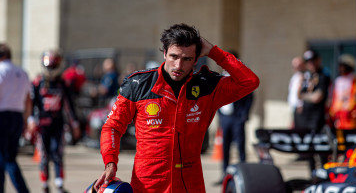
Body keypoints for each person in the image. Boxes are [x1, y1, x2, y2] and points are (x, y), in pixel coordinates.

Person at [94, 23, 260, 192]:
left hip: (190, 185)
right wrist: (110, 163)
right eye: (173, 56)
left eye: (187, 59)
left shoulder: (207, 86)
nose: (178, 66)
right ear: (164, 53)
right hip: (148, 185)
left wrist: (214, 52)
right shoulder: (138, 84)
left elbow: (250, 81)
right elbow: (112, 127)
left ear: (196, 59)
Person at [30, 50, 81, 193]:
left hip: (58, 124)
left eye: (53, 66)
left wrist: (75, 124)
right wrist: (31, 121)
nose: (51, 69)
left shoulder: (63, 83)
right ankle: (45, 185)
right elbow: (32, 104)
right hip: (42, 125)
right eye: (49, 66)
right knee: (44, 156)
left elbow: (69, 105)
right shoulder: (37, 82)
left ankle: (59, 185)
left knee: (58, 154)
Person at [215, 51, 254, 184]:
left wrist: (244, 114)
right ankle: (224, 174)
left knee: (240, 147)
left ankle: (244, 175)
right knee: (225, 148)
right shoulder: (220, 78)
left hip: (237, 117)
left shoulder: (240, 77)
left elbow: (250, 96)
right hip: (225, 118)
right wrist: (219, 114)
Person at [0, 44, 30, 193]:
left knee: (4, 158)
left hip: (3, 115)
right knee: (9, 156)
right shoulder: (22, 72)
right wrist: (26, 120)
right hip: (17, 116)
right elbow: (28, 99)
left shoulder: (1, 70)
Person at [298, 49, 330, 172]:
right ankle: (313, 176)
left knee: (321, 149)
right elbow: (298, 94)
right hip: (305, 119)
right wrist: (305, 95)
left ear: (318, 60)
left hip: (318, 119)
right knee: (308, 150)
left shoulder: (323, 75)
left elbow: (318, 97)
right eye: (308, 62)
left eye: (312, 61)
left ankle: (324, 175)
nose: (310, 64)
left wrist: (304, 96)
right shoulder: (307, 77)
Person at [329, 54, 356, 130]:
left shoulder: (355, 80)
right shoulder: (338, 80)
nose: (341, 68)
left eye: (343, 66)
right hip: (339, 116)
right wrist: (333, 112)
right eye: (340, 66)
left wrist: (352, 110)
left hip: (350, 116)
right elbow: (335, 98)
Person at [288, 56, 305, 128]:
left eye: (298, 66)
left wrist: (300, 104)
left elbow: (301, 92)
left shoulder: (302, 76)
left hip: (298, 107)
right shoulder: (295, 77)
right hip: (293, 106)